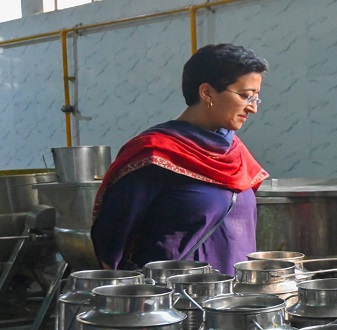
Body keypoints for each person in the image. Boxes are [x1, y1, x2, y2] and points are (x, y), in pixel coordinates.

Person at [91, 43, 269, 275]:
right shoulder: (156, 153)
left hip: (235, 301)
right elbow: (111, 242)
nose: (252, 108)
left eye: (255, 98)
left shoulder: (236, 153)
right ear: (206, 92)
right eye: (246, 96)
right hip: (178, 301)